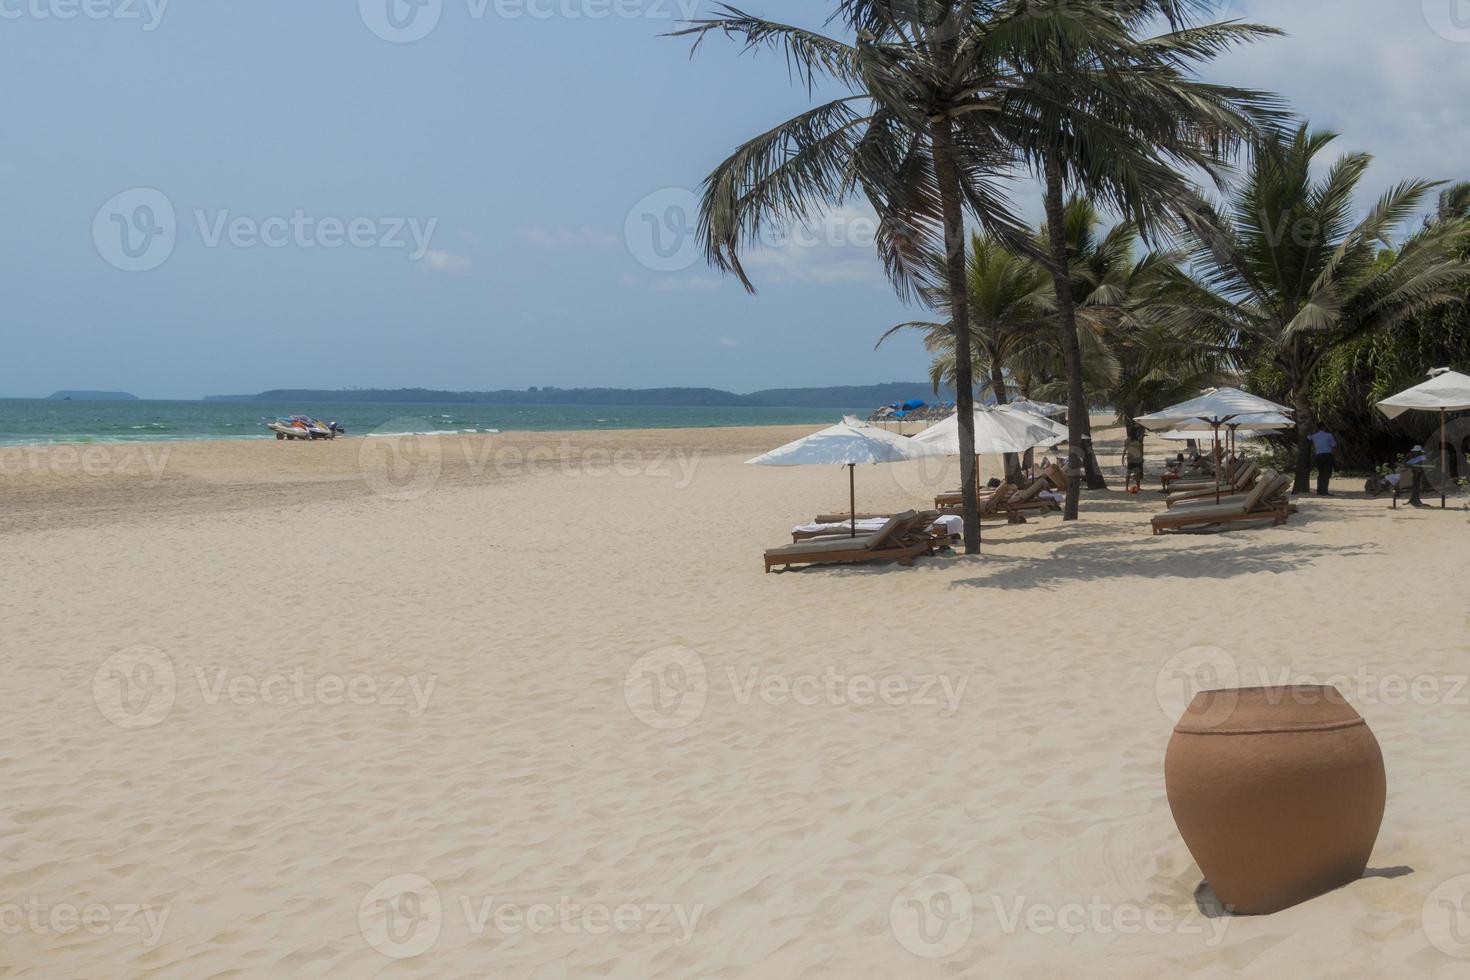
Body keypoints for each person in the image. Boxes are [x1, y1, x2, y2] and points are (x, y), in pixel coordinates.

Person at [1309, 423, 1339, 496]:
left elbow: (1307, 437)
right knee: (1326, 474)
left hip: (1318, 455)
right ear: (1324, 427)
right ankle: (1324, 491)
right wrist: (1335, 456)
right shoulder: (1329, 435)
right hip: (1327, 455)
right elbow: (1334, 446)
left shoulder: (1313, 436)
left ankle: (1319, 490)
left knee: (1321, 473)